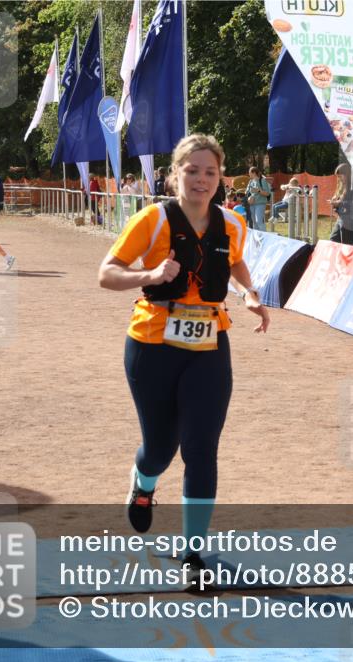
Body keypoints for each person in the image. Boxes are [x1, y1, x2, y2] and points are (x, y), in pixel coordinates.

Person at [98, 133, 270, 582]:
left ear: (220, 177)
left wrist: (249, 293)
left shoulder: (233, 223)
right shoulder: (152, 220)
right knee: (160, 448)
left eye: (209, 171)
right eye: (191, 170)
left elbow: (233, 263)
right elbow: (107, 273)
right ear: (175, 174)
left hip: (209, 345)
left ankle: (193, 556)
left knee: (201, 450)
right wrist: (152, 273)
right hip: (153, 343)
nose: (201, 179)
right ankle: (144, 482)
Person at [244, 166, 271, 231]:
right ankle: (257, 239)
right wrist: (249, 197)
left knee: (259, 221)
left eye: (249, 173)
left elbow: (267, 193)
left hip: (260, 204)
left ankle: (264, 237)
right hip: (252, 204)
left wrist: (258, 191)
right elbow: (246, 192)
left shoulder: (262, 180)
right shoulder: (250, 181)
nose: (249, 174)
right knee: (255, 223)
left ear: (254, 173)